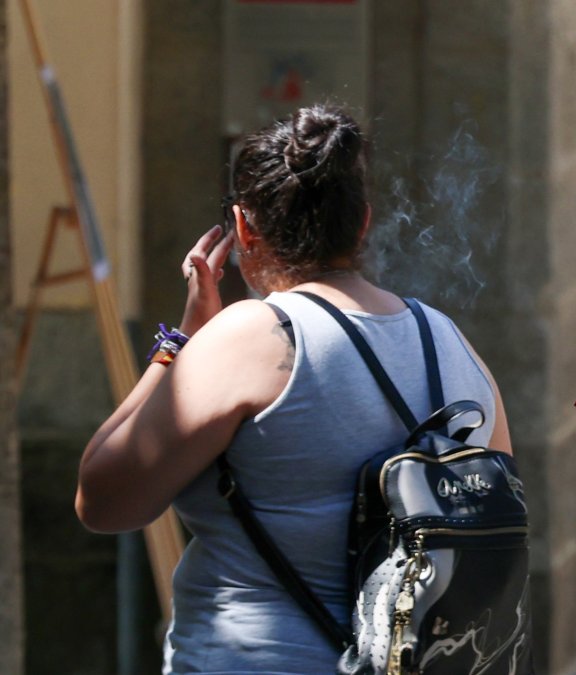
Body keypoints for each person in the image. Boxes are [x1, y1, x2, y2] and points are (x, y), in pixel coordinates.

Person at [76, 104, 513, 673]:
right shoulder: (449, 342)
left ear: (244, 228)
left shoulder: (253, 337)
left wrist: (182, 339)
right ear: (362, 224)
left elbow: (103, 499)